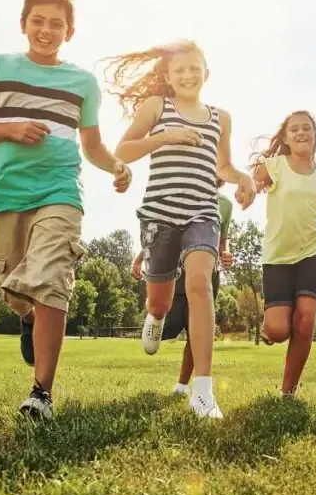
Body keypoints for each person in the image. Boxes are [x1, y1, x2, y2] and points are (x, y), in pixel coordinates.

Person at [0, 0, 131, 421]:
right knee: (11, 284)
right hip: (7, 194)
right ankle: (27, 317)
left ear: (69, 31)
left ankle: (41, 394)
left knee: (52, 279)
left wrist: (115, 165)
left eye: (57, 24)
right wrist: (11, 129)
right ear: (23, 23)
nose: (46, 30)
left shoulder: (82, 83)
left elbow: (92, 145)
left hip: (60, 191)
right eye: (38, 21)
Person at [106, 39, 256, 419]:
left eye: (194, 68)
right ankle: (156, 316)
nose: (188, 75)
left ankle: (203, 392)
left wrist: (243, 178)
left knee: (200, 284)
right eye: (180, 70)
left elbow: (222, 166)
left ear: (206, 72)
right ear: (168, 76)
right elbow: (122, 151)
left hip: (202, 212)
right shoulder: (157, 106)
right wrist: (166, 136)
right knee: (160, 300)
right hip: (160, 214)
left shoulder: (221, 117)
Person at [250, 111, 316, 398]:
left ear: (315, 135)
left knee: (305, 322)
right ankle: (272, 327)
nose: (301, 132)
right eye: (294, 129)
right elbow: (252, 186)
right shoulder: (274, 166)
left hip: (311, 254)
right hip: (277, 258)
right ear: (286, 137)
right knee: (279, 331)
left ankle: (288, 392)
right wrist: (247, 192)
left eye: (307, 128)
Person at [131, 182, 234, 397]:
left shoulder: (225, 204)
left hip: (208, 274)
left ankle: (182, 385)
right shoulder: (184, 188)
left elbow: (222, 241)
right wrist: (139, 259)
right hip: (177, 273)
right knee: (169, 325)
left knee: (196, 330)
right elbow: (164, 235)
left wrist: (225, 254)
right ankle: (155, 312)